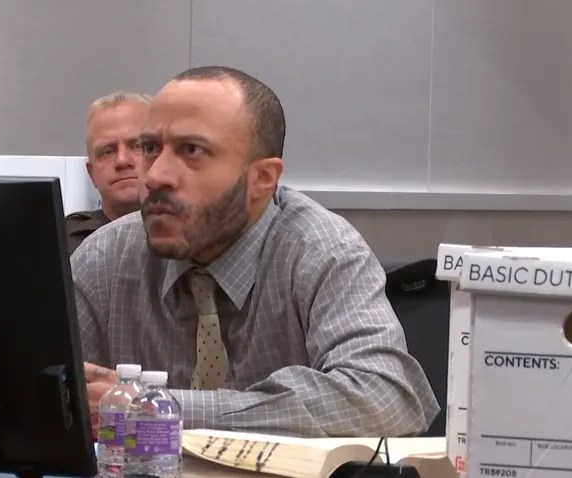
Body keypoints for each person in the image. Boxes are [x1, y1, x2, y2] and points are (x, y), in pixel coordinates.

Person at [72, 66, 439, 438]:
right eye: (150, 148)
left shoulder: (320, 250)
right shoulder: (105, 259)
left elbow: (384, 400)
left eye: (192, 150)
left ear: (262, 178)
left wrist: (160, 408)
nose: (154, 176)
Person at [65, 91, 152, 254]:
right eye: (108, 151)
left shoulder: (195, 240)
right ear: (92, 174)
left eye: (137, 146)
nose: (122, 161)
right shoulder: (60, 246)